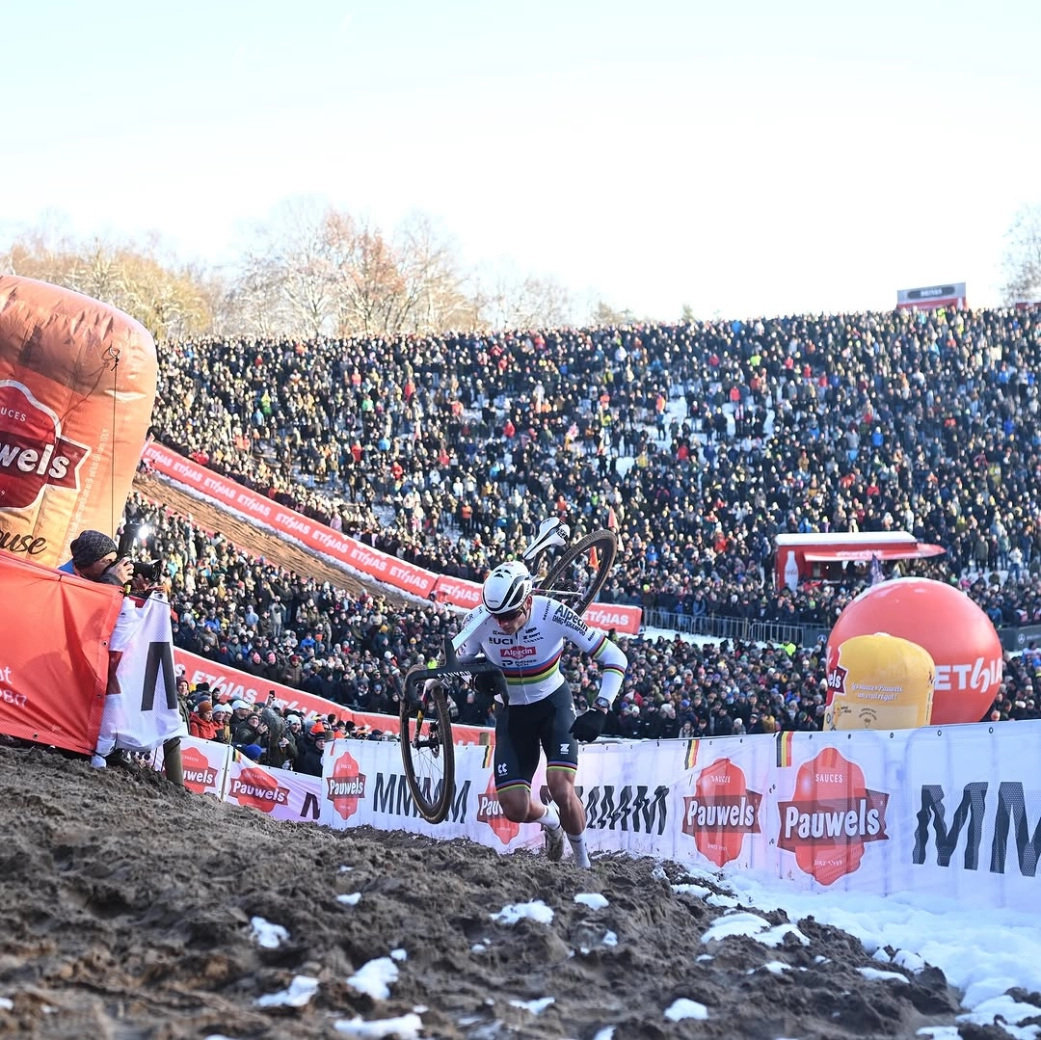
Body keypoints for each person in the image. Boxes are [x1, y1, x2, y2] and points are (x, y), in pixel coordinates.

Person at [438, 558, 627, 868]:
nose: (503, 624)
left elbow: (615, 657)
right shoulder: (478, 620)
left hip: (552, 704)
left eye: (510, 616)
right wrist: (473, 674)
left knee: (560, 787)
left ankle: (582, 864)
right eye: (496, 617)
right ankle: (551, 821)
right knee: (513, 807)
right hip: (513, 714)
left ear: (528, 601)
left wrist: (600, 708)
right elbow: (450, 665)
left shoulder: (553, 613)